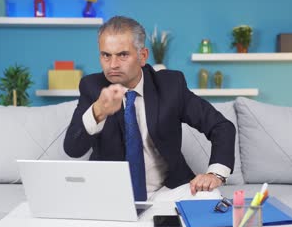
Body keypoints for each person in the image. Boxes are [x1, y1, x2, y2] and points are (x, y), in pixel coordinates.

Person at [64, 16, 235, 201]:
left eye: (122, 55)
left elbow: (221, 126)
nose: (112, 65)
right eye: (106, 55)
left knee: (212, 198)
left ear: (142, 56)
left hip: (168, 191)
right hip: (110, 192)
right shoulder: (92, 87)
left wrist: (215, 174)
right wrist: (98, 111)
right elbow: (73, 149)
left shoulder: (170, 86)